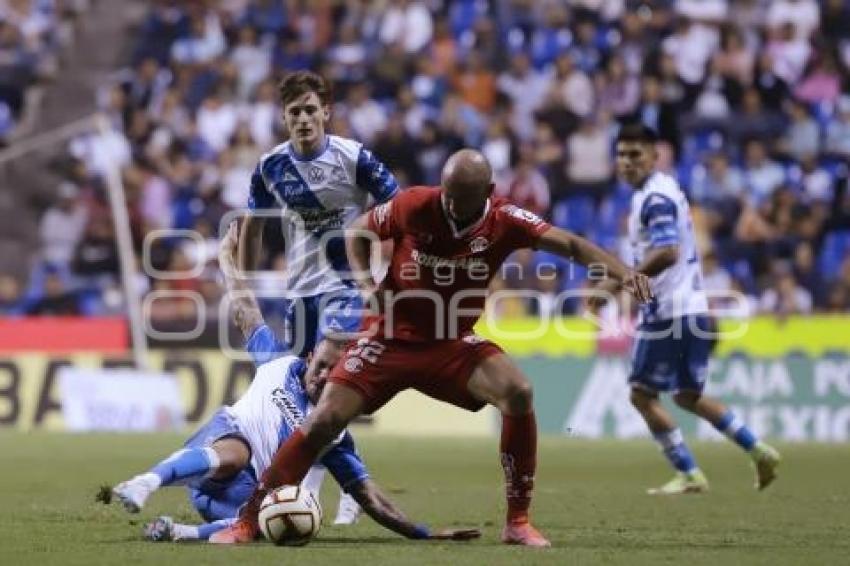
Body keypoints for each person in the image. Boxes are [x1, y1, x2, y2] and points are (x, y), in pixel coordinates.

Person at [210, 149, 653, 547]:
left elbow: (570, 244)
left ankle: (518, 522)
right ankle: (247, 520)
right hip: (387, 337)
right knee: (323, 418)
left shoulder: (507, 220)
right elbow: (357, 233)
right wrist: (367, 284)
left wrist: (622, 271)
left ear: (488, 193)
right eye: (448, 195)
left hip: (450, 342)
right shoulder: (416, 204)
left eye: (462, 199)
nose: (451, 207)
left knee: (518, 392)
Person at [110, 223, 479, 543]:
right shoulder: (277, 362)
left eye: (333, 373)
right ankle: (145, 482)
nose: (323, 377)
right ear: (309, 358)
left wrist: (420, 532)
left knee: (291, 515)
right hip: (223, 450)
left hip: (240, 500)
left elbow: (370, 497)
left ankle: (180, 532)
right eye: (321, 366)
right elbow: (243, 308)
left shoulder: (331, 430)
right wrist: (226, 259)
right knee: (237, 453)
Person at [239, 70, 400, 523]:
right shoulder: (271, 165)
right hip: (300, 293)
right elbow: (254, 226)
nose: (304, 118)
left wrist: (386, 267)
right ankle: (337, 481)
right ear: (284, 117)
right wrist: (245, 281)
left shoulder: (355, 159)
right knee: (307, 398)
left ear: (325, 111)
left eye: (311, 109)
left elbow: (400, 208)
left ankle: (334, 486)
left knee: (325, 385)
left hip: (346, 288)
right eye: (295, 112)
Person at [596, 123, 781, 495]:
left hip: (668, 311)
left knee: (642, 394)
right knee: (686, 395)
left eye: (636, 154)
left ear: (654, 156)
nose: (627, 162)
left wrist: (616, 282)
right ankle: (757, 448)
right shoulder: (662, 191)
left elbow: (667, 251)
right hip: (693, 307)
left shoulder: (655, 198)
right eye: (621, 154)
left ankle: (689, 472)